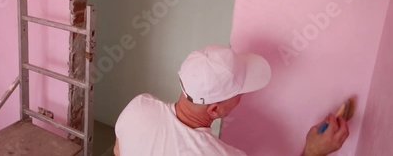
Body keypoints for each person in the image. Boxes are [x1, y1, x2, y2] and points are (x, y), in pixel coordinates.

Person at [113, 44, 349, 156]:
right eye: (239, 94)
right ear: (214, 109)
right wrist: (312, 152)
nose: (243, 97)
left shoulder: (139, 106)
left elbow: (118, 151)